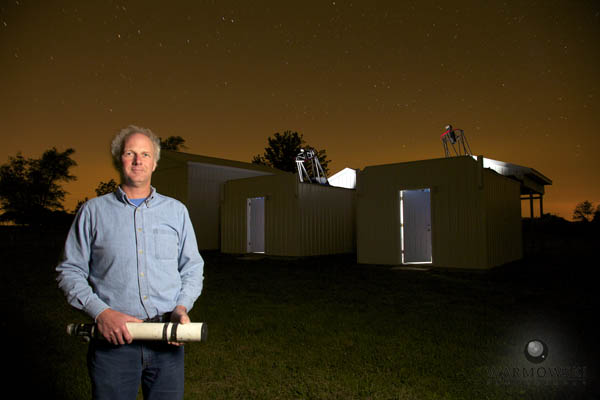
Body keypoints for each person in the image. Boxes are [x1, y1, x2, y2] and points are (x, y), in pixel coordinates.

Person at [56, 125, 204, 400]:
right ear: (118, 159)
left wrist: (181, 308)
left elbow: (193, 267)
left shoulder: (176, 212)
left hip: (166, 340)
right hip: (113, 344)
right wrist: (101, 313)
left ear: (155, 163)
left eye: (145, 154)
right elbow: (69, 271)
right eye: (130, 153)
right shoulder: (93, 212)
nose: (138, 161)